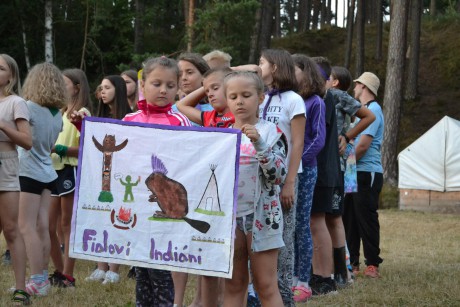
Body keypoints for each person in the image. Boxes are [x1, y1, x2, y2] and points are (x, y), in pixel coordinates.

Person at [123, 56, 191, 306]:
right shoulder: (129, 121)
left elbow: (188, 161)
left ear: (177, 88)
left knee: (162, 271)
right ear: (143, 85)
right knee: (141, 270)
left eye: (170, 85)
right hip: (137, 206)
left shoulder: (180, 121)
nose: (163, 90)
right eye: (157, 83)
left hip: (165, 208)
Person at [223, 70, 286, 307]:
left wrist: (259, 142)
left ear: (260, 97)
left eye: (246, 95)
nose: (239, 101)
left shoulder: (271, 132)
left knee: (265, 285)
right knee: (233, 284)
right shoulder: (222, 135)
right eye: (233, 96)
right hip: (230, 219)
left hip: (263, 217)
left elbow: (278, 175)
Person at [317, 59, 376, 289]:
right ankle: (333, 270)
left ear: (333, 81)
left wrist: (348, 136)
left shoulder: (337, 96)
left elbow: (367, 118)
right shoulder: (317, 98)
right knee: (331, 217)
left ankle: (345, 271)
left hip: (339, 164)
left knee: (335, 216)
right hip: (330, 165)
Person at [258, 49, 306, 307]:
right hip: (258, 179)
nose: (258, 66)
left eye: (262, 62)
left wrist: (289, 183)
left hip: (284, 179)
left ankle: (285, 297)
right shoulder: (257, 96)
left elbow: (297, 143)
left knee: (283, 239)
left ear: (275, 67)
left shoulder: (293, 99)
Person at [18, 63, 67, 296]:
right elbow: (48, 147)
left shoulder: (27, 107)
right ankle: (43, 279)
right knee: (43, 227)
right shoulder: (58, 115)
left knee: (26, 226)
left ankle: (37, 280)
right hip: (49, 174)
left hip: (28, 171)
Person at [48, 68, 93, 288]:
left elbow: (89, 145)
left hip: (69, 169)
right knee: (51, 225)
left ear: (76, 87)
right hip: (53, 170)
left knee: (67, 223)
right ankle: (58, 271)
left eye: (63, 82)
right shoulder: (58, 111)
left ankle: (68, 274)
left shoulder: (82, 113)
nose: (58, 85)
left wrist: (61, 148)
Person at [85, 75, 131, 284]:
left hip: (121, 178)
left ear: (118, 90)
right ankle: (100, 267)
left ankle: (114, 269)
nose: (102, 92)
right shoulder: (98, 118)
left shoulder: (130, 118)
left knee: (118, 220)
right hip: (101, 177)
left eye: (107, 87)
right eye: (100, 88)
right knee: (101, 217)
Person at [291, 54, 326, 302]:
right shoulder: (290, 100)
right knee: (288, 225)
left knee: (302, 224)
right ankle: (288, 276)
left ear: (306, 71)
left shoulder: (315, 102)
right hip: (287, 170)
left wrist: (298, 162)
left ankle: (303, 280)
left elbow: (318, 139)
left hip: (306, 168)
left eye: (294, 70)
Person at [343, 72, 384, 278]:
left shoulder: (374, 110)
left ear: (364, 87)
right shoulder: (362, 111)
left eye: (357, 84)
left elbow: (363, 146)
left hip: (367, 172)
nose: (354, 88)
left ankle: (372, 264)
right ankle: (353, 263)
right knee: (349, 218)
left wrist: (344, 161)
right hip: (352, 171)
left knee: (366, 218)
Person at [0, 53, 32, 305]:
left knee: (11, 229)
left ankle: (21, 288)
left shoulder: (16, 103)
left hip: (6, 165)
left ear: (11, 75)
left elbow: (27, 142)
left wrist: (2, 126)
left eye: (0, 69)